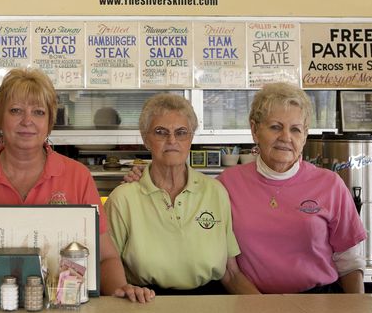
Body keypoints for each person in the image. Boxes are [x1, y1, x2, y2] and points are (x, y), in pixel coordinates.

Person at [0, 68, 154, 303]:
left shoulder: (78, 177)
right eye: (15, 111)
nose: (27, 121)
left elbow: (106, 257)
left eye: (38, 112)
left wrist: (120, 289)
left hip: (63, 311)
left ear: (49, 122)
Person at [217, 83, 367, 293]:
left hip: (319, 307)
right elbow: (226, 266)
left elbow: (349, 263)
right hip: (249, 305)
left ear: (304, 136)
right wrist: (261, 310)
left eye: (295, 129)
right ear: (254, 129)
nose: (286, 137)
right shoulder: (226, 184)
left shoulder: (330, 184)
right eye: (275, 127)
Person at [105, 93, 258, 295]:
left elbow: (230, 272)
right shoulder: (123, 199)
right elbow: (106, 266)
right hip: (145, 304)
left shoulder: (215, 192)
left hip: (210, 307)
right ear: (145, 138)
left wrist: (264, 312)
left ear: (191, 138)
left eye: (181, 132)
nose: (172, 140)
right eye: (160, 132)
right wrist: (123, 292)